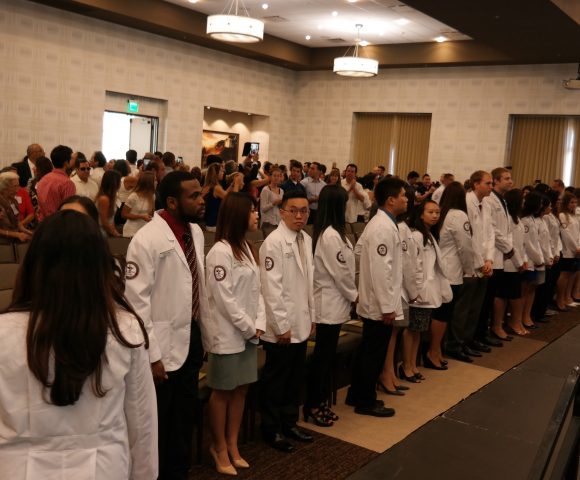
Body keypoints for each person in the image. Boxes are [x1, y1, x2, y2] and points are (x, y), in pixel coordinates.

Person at [0, 210, 157, 479]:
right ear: (100, 268)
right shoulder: (124, 330)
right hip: (103, 468)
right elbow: (141, 422)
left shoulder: (4, 332)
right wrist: (145, 475)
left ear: (33, 265)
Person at [125, 171, 208, 480]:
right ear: (172, 202)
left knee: (185, 415)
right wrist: (152, 354)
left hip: (191, 334)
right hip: (159, 344)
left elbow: (197, 286)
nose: (201, 201)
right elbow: (136, 303)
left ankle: (178, 471)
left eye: (201, 193)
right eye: (194, 196)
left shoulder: (195, 232)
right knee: (160, 420)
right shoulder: (146, 239)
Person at [203, 192, 266, 475]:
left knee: (241, 389)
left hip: (249, 332)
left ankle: (232, 443)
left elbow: (258, 291)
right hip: (227, 334)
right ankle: (218, 447)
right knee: (223, 391)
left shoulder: (248, 248)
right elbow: (224, 299)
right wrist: (249, 326)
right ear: (238, 215)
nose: (256, 215)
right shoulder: (220, 252)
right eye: (252, 211)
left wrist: (260, 321)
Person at [346, 177, 407, 417]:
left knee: (368, 350)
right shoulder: (382, 227)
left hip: (375, 299)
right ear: (391, 200)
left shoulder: (381, 223)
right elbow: (382, 270)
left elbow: (359, 251)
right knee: (373, 354)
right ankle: (365, 401)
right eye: (403, 195)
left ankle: (356, 394)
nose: (406, 199)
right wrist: (387, 305)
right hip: (379, 303)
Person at [259, 190, 315, 452]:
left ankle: (289, 423)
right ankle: (271, 429)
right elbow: (271, 289)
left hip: (301, 321)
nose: (300, 216)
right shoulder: (273, 243)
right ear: (282, 213)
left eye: (304, 211)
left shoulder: (306, 238)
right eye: (294, 210)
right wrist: (282, 326)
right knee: (276, 381)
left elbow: (309, 284)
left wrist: (312, 316)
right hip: (281, 327)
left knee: (294, 378)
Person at [304, 185, 357, 425]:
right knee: (322, 360)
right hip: (328, 305)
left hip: (336, 304)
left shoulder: (335, 233)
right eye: (344, 203)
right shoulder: (330, 236)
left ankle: (320, 401)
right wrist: (355, 295)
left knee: (326, 358)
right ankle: (313, 404)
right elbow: (341, 273)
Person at [402, 200, 451, 379]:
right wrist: (416, 291)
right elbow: (413, 266)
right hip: (418, 291)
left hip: (427, 290)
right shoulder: (416, 235)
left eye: (437, 212)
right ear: (421, 214)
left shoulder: (429, 234)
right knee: (412, 329)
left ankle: (413, 364)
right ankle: (406, 366)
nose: (435, 215)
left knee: (419, 329)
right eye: (430, 212)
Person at [433, 181, 475, 365]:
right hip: (452, 271)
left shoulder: (441, 213)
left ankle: (436, 350)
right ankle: (435, 350)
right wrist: (469, 269)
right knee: (444, 315)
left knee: (440, 314)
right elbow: (465, 247)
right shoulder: (458, 215)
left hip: (439, 269)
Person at [465, 170, 499, 354]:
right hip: (471, 264)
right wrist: (481, 262)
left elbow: (490, 234)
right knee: (466, 308)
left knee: (477, 308)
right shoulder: (467, 202)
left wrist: (489, 259)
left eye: (492, 183)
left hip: (485, 263)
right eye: (488, 183)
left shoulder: (486, 204)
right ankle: (460, 343)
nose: (491, 187)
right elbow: (469, 238)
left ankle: (471, 340)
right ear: (476, 184)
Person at [481, 167, 514, 342]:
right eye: (507, 178)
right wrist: (508, 247)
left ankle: (489, 330)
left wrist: (508, 247)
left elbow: (506, 228)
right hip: (492, 254)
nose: (511, 181)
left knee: (493, 295)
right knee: (487, 298)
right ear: (496, 181)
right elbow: (492, 229)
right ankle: (483, 333)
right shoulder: (489, 200)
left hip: (501, 254)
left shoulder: (502, 199)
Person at [502, 188, 529, 335]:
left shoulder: (517, 218)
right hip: (509, 262)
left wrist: (524, 260)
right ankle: (513, 323)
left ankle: (515, 322)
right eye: (522, 200)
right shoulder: (508, 219)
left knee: (516, 295)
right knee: (512, 296)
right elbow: (510, 244)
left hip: (517, 261)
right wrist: (519, 261)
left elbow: (522, 244)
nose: (524, 203)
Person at [520, 192, 545, 330]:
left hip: (535, 260)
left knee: (531, 289)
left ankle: (527, 315)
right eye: (540, 203)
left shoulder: (532, 219)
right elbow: (528, 243)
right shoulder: (525, 220)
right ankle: (520, 318)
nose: (541, 206)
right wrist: (538, 259)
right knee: (524, 291)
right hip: (528, 260)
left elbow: (537, 242)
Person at [36, 145, 76, 220]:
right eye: (71, 159)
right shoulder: (67, 183)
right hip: (58, 223)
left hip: (43, 223)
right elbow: (68, 212)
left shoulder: (43, 179)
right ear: (66, 162)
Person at [556, 192, 580, 310]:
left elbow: (578, 233)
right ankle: (560, 299)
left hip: (577, 249)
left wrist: (579, 246)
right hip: (567, 250)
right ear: (566, 203)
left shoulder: (574, 216)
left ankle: (567, 297)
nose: (574, 205)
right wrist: (576, 247)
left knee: (571, 274)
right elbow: (566, 234)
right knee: (564, 275)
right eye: (571, 202)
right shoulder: (562, 215)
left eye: (575, 202)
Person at [203, 163, 242, 232]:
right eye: (221, 171)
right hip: (214, 226)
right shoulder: (216, 188)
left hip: (210, 224)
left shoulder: (209, 186)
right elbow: (233, 201)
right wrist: (236, 184)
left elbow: (224, 194)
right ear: (216, 174)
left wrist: (232, 185)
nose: (223, 173)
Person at [0, 171, 33, 242]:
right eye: (15, 186)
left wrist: (28, 232)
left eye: (18, 185)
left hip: (13, 242)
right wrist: (16, 234)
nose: (18, 189)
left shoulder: (13, 201)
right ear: (4, 187)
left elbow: (17, 222)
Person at [122, 172, 155, 238]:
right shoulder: (133, 196)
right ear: (149, 183)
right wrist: (141, 216)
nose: (156, 182)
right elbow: (124, 214)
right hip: (132, 231)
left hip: (145, 229)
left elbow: (151, 213)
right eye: (155, 180)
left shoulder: (152, 196)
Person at [96, 170, 122, 237]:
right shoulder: (104, 199)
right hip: (101, 232)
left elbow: (111, 218)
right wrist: (114, 233)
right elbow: (104, 221)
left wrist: (114, 231)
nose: (121, 183)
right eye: (119, 181)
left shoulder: (112, 196)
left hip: (107, 230)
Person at [27, 155, 53, 222]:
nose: (33, 168)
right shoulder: (31, 181)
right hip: (34, 216)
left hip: (49, 215)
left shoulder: (52, 182)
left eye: (35, 166)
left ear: (40, 169)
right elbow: (28, 197)